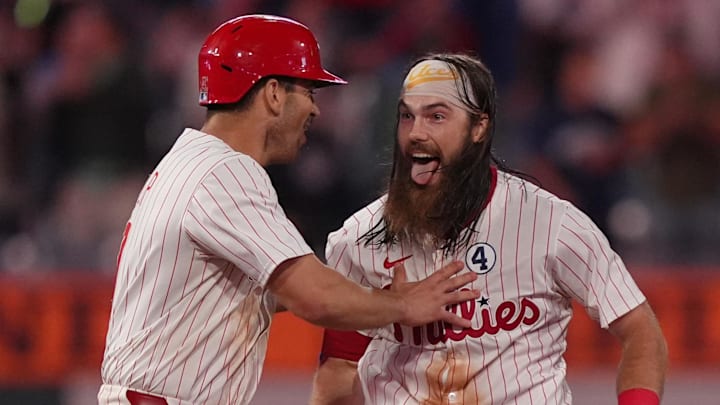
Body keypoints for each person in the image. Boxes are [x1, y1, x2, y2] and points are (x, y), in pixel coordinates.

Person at [97, 16, 480, 405]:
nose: (315, 109)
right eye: (310, 91)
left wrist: (371, 297)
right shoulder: (226, 171)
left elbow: (243, 291)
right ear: (274, 93)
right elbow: (313, 297)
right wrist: (402, 305)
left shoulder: (189, 161)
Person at [310, 53, 668, 405]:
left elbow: (640, 331)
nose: (416, 133)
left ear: (478, 127)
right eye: (407, 116)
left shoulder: (551, 223)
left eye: (436, 116)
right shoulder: (359, 238)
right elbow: (339, 370)